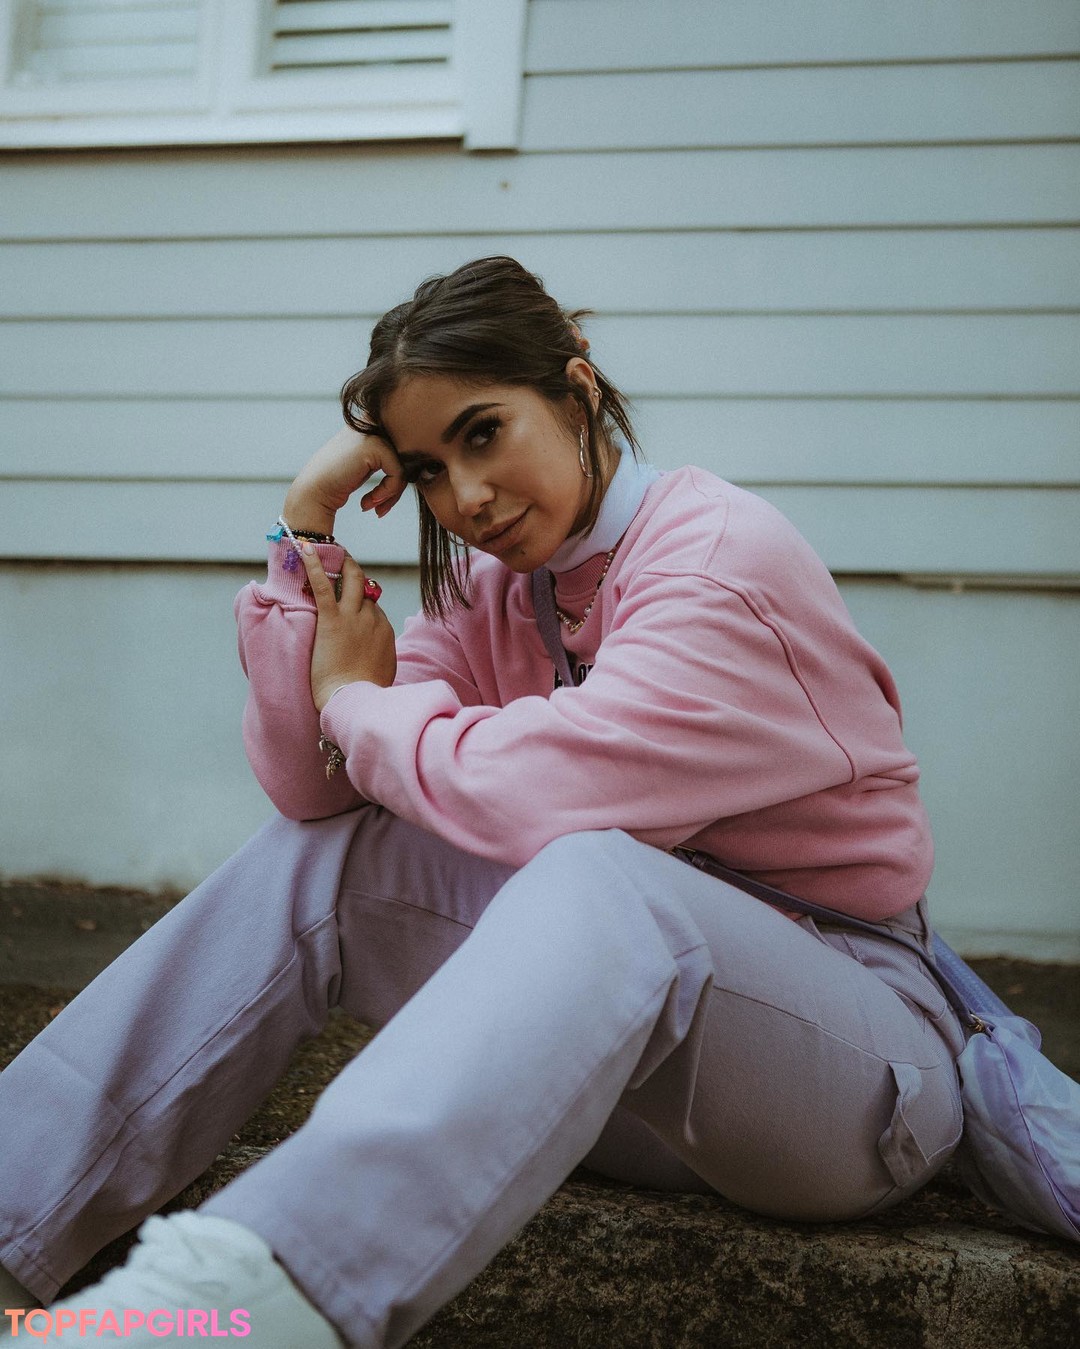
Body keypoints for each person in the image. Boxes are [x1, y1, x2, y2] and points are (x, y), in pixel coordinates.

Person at [0, 257, 966, 1347]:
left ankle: (256, 1295)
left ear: (576, 391)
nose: (464, 499)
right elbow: (322, 792)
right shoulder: (505, 586)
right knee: (328, 862)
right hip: (635, 1072)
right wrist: (305, 532)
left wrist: (354, 702)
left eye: (483, 433)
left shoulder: (716, 565)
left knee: (603, 873)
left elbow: (531, 792)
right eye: (425, 469)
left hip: (859, 1083)